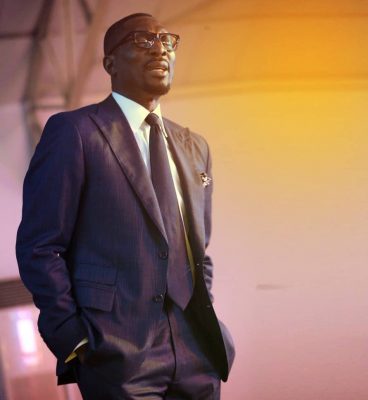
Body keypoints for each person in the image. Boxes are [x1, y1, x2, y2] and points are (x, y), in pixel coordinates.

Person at [16, 12, 235, 400]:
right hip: (116, 352)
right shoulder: (76, 132)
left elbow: (198, 251)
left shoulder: (194, 146)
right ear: (110, 64)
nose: (160, 49)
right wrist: (72, 337)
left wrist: (205, 309)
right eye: (143, 40)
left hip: (195, 350)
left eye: (167, 41)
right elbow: (40, 246)